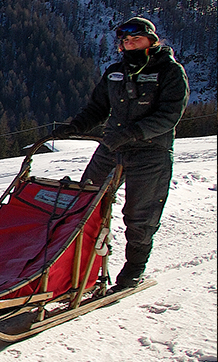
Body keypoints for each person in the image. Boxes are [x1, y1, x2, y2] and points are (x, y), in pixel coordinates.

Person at [51, 16, 189, 291]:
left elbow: (169, 116)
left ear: (152, 41)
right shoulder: (115, 71)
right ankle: (76, 267)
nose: (129, 45)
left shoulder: (170, 72)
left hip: (150, 153)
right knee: (84, 202)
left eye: (136, 39)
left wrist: (133, 132)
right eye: (125, 41)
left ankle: (133, 271)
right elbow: (98, 107)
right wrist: (77, 125)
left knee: (139, 216)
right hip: (112, 148)